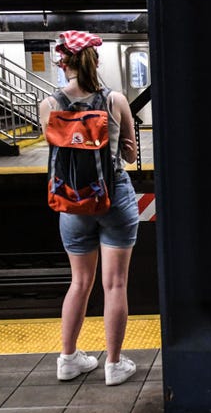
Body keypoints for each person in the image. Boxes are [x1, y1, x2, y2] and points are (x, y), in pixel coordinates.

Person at [39, 30, 138, 386]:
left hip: (72, 201)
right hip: (113, 197)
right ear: (95, 60)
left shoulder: (49, 106)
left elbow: (56, 153)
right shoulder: (115, 100)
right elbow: (129, 154)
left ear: (61, 61)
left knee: (79, 281)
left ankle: (68, 359)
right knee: (115, 284)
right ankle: (114, 364)